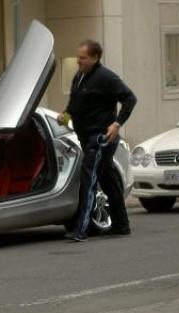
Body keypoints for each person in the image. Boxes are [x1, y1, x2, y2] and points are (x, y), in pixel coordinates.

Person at [58, 40, 137, 242]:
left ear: (95, 57)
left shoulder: (106, 77)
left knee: (89, 178)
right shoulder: (80, 76)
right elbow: (75, 102)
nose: (79, 61)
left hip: (101, 137)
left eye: (83, 58)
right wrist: (66, 114)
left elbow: (130, 99)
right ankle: (121, 225)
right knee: (108, 178)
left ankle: (81, 229)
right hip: (85, 136)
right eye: (78, 57)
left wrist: (117, 124)